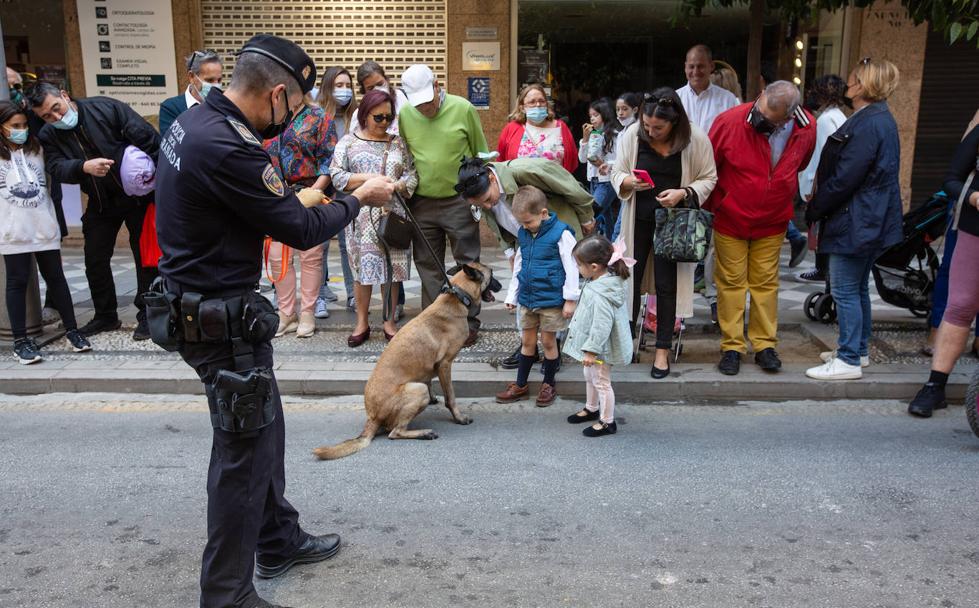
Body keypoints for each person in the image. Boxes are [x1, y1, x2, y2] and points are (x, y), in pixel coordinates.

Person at [154, 34, 395, 608]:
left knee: (265, 432)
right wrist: (363, 198)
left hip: (199, 305)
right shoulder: (232, 145)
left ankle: (277, 538)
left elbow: (254, 203)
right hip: (220, 318)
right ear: (279, 93)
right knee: (243, 456)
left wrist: (317, 191)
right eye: (292, 108)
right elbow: (300, 229)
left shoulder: (196, 124)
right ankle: (227, 594)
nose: (289, 120)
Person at [28, 82, 160, 340]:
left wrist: (158, 185)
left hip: (138, 197)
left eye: (57, 108)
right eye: (47, 116)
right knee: (95, 258)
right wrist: (82, 167)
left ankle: (148, 315)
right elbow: (55, 167)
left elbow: (150, 140)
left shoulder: (106, 108)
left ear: (64, 95)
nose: (56, 117)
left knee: (144, 257)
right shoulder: (48, 135)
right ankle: (105, 315)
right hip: (100, 202)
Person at [706, 81, 816, 376]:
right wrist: (716, 205)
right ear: (761, 95)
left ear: (788, 117)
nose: (759, 118)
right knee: (731, 283)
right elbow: (709, 166)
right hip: (731, 217)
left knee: (766, 283)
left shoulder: (806, 127)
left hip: (773, 218)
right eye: (759, 108)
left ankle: (765, 345)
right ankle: (732, 346)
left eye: (768, 118)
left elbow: (801, 163)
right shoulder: (729, 121)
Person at [803, 60, 902, 381]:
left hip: (857, 219)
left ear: (862, 85)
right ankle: (857, 351)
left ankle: (848, 360)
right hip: (867, 218)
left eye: (853, 78)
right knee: (857, 288)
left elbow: (846, 178)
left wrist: (816, 207)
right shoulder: (877, 119)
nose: (847, 82)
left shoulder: (869, 123)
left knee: (846, 289)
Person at [611, 89, 718, 377]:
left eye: (658, 128)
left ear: (675, 122)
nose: (650, 132)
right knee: (629, 283)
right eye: (647, 126)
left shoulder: (695, 138)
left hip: (674, 223)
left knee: (667, 285)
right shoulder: (633, 134)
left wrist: (684, 192)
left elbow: (709, 177)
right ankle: (625, 345)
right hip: (639, 220)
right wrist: (629, 182)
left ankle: (662, 352)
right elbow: (616, 172)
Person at [456, 156, 596, 368]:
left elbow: (569, 186)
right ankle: (527, 348)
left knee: (557, 287)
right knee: (530, 288)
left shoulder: (524, 170)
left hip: (558, 236)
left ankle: (554, 347)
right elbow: (496, 224)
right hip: (528, 242)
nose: (487, 205)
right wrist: (510, 252)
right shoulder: (485, 199)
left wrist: (587, 216)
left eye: (487, 199)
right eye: (480, 204)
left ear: (492, 178)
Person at [398, 64, 489, 345]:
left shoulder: (463, 109)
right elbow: (404, 154)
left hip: (458, 199)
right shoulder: (405, 115)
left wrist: (480, 194)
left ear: (438, 86)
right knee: (428, 263)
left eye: (428, 101)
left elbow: (480, 153)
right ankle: (435, 321)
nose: (425, 108)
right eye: (419, 104)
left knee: (467, 260)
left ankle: (469, 322)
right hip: (422, 201)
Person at [0, 100, 92, 363]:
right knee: (16, 282)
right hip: (12, 230)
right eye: (15, 126)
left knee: (56, 278)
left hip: (42, 225)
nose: (22, 130)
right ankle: (21, 341)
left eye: (24, 125)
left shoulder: (37, 148)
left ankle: (73, 330)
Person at [331, 89, 418, 345]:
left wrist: (396, 186)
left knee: (390, 271)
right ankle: (362, 322)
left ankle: (389, 321)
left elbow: (412, 175)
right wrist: (369, 180)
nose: (384, 123)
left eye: (388, 118)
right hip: (360, 215)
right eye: (378, 117)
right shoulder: (348, 142)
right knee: (362, 272)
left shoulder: (398, 142)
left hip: (392, 214)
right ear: (365, 115)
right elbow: (336, 175)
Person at [907, 125, 979, 415]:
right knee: (960, 306)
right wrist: (973, 196)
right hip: (975, 232)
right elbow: (951, 180)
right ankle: (935, 386)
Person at [262, 88, 338, 338]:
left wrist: (313, 193)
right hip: (276, 195)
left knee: (311, 255)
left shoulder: (318, 117)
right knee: (277, 255)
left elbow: (329, 162)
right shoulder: (268, 117)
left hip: (309, 191)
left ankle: (307, 312)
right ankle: (286, 313)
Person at [495, 186, 579, 407]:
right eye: (521, 223)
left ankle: (548, 383)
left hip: (551, 300)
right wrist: (512, 295)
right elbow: (520, 264)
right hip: (528, 298)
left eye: (528, 222)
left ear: (543, 213)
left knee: (549, 343)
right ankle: (521, 384)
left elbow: (571, 267)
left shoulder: (562, 233)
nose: (524, 227)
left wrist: (570, 299)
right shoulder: (524, 233)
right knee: (527, 341)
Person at [563, 235, 633, 437]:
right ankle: (591, 408)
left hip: (601, 347)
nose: (577, 268)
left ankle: (607, 422)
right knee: (590, 376)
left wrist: (592, 351)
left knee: (601, 380)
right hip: (596, 346)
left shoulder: (601, 292)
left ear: (594, 266)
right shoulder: (598, 281)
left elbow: (602, 325)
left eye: (579, 264)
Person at [313, 66, 358, 316]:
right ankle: (318, 294)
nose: (344, 90)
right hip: (322, 187)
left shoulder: (356, 117)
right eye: (338, 85)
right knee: (319, 244)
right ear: (327, 88)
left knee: (347, 243)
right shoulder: (318, 116)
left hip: (348, 188)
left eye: (347, 85)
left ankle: (352, 293)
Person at [797, 75, 850, 282]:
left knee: (819, 228)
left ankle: (822, 269)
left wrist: (811, 185)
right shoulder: (839, 117)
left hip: (822, 183)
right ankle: (823, 268)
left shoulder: (826, 120)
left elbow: (820, 156)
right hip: (831, 181)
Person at [496, 83, 578, 173]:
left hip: (555, 186)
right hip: (520, 186)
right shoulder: (511, 129)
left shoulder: (561, 127)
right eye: (532, 102)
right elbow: (501, 161)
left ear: (546, 104)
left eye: (542, 101)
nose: (538, 105)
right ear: (522, 108)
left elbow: (572, 161)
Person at [579, 98, 620, 238]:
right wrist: (585, 139)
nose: (592, 119)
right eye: (590, 116)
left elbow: (621, 160)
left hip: (607, 181)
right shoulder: (592, 135)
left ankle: (594, 243)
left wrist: (607, 165)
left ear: (605, 114)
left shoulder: (614, 135)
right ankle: (609, 244)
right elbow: (583, 159)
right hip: (593, 180)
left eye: (596, 115)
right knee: (606, 214)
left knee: (592, 212)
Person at [676, 44, 739, 134]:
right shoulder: (676, 99)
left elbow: (734, 134)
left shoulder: (728, 99)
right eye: (691, 66)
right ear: (685, 67)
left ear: (711, 66)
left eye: (700, 66)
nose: (695, 72)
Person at [158, 50, 223, 136]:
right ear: (191, 77)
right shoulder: (171, 108)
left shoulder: (224, 107)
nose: (216, 85)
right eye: (209, 80)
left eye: (219, 80)